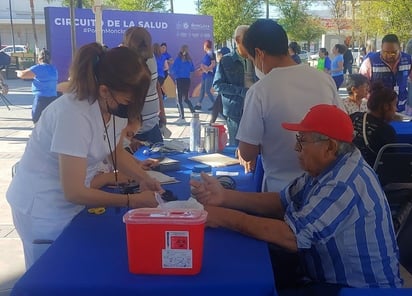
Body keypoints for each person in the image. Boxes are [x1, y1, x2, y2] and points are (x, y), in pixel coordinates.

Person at [191, 104, 402, 293]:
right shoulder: (328, 168)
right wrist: (225, 197)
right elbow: (281, 201)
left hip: (355, 289)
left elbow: (292, 237)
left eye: (302, 141)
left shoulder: (344, 182)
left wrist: (221, 217)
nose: (296, 149)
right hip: (323, 277)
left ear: (329, 147)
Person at [6, 43, 163, 269]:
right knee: (50, 276)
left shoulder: (114, 108)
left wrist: (143, 178)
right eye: (127, 101)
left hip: (69, 206)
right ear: (104, 90)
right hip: (41, 210)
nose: (129, 108)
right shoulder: (73, 115)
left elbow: (115, 152)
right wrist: (131, 201)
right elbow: (74, 191)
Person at [236, 19, 342, 192]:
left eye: (251, 59)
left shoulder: (260, 90)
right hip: (325, 188)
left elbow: (247, 153)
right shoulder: (324, 79)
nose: (254, 64)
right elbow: (342, 130)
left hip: (280, 193)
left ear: (259, 53)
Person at [213, 25, 257, 146]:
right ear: (237, 40)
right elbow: (217, 85)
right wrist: (241, 91)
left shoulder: (257, 59)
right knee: (236, 147)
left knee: (255, 146)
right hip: (235, 111)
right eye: (246, 41)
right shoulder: (226, 61)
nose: (250, 44)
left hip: (256, 108)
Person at [123, 27, 167, 145]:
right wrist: (129, 138)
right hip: (133, 132)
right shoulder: (125, 62)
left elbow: (156, 84)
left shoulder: (151, 57)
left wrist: (162, 111)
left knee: (161, 161)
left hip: (153, 125)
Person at [359, 34, 412, 113]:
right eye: (385, 52)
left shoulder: (408, 60)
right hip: (377, 111)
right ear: (381, 48)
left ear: (400, 49)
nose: (389, 55)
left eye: (393, 52)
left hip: (401, 109)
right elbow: (360, 86)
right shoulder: (369, 62)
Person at [351, 81, 397, 167]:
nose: (396, 109)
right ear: (386, 106)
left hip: (348, 166)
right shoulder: (387, 131)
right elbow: (390, 163)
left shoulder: (354, 117)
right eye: (394, 105)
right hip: (372, 171)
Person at [16, 48, 58, 123]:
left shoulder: (38, 68)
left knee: (37, 120)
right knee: (51, 121)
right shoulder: (53, 69)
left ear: (39, 58)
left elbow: (22, 75)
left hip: (41, 99)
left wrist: (19, 72)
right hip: (53, 98)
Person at [170, 44, 196, 124]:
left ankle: (182, 116)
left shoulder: (178, 59)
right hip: (187, 80)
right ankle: (194, 112)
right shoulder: (189, 59)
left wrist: (171, 70)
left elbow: (173, 70)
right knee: (186, 99)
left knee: (179, 99)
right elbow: (192, 69)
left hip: (179, 80)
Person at [209, 46, 230, 124]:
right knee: (216, 107)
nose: (218, 56)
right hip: (224, 90)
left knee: (218, 108)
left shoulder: (223, 64)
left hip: (224, 90)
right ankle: (211, 123)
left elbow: (220, 78)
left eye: (219, 54)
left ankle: (229, 121)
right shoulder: (225, 63)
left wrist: (215, 87)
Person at [194, 40, 216, 111]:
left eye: (204, 45)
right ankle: (198, 104)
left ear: (206, 46)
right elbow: (204, 64)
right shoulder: (206, 54)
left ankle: (215, 104)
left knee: (207, 90)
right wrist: (201, 69)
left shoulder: (211, 54)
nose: (203, 47)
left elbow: (213, 64)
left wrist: (207, 69)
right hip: (204, 75)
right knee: (202, 90)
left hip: (209, 75)